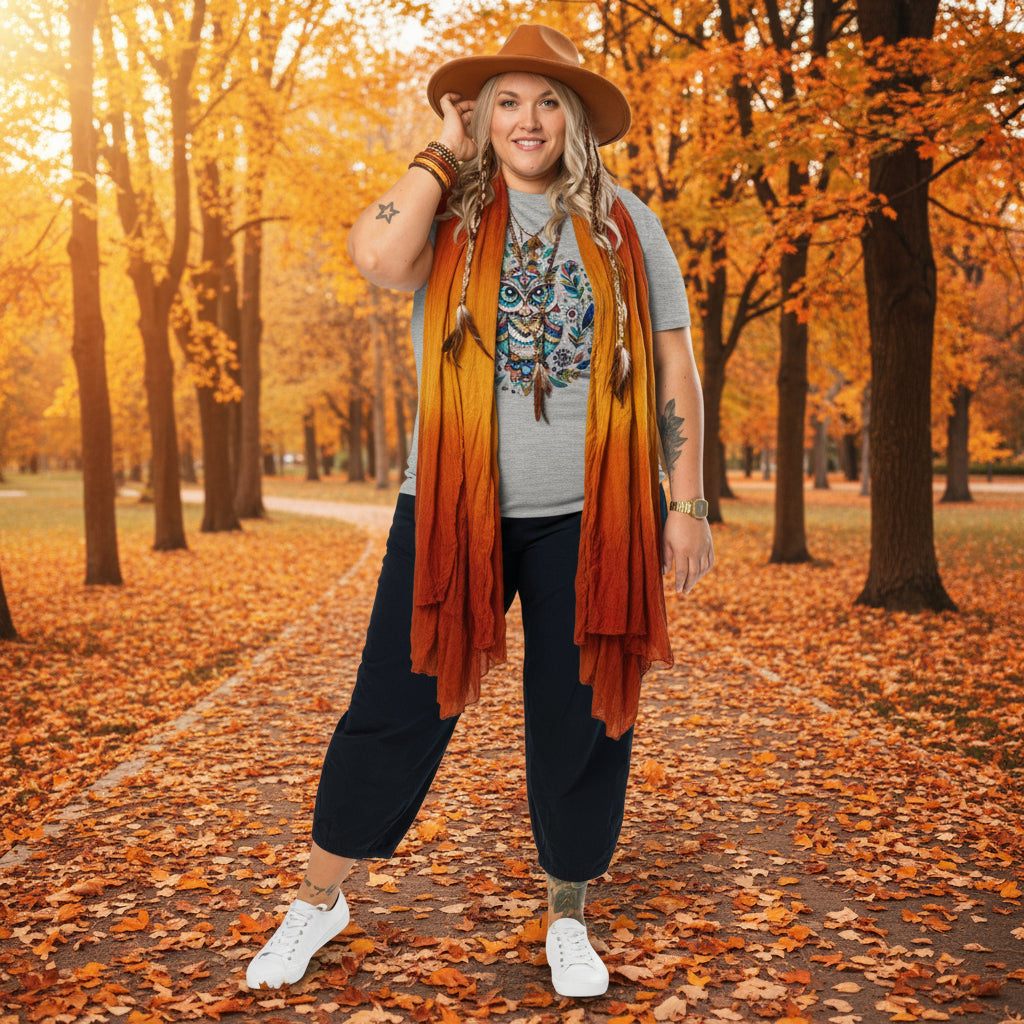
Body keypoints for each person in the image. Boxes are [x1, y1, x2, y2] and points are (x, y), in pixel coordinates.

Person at [245, 23, 714, 1001]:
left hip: (593, 514)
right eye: (505, 101)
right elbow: (377, 255)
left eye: (546, 102)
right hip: (451, 511)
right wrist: (440, 151)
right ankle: (319, 898)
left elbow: (674, 365)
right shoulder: (448, 212)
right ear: (482, 116)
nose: (526, 120)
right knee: (392, 703)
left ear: (574, 118)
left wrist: (688, 500)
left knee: (582, 716)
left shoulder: (629, 224)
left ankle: (568, 914)